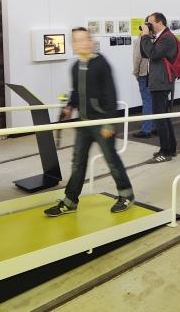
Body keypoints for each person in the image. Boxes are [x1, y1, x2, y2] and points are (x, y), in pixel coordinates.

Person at [44, 28, 134, 217]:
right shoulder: (75, 67)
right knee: (78, 163)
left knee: (111, 159)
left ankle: (126, 194)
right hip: (84, 124)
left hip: (102, 123)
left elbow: (111, 95)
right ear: (74, 45)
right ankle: (70, 201)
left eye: (86, 39)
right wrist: (69, 106)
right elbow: (76, 93)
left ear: (91, 41)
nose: (83, 43)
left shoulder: (102, 64)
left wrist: (109, 123)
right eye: (78, 40)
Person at [139, 12, 177, 163]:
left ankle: (166, 151)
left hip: (161, 83)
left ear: (160, 23)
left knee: (160, 117)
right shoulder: (160, 37)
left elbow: (153, 54)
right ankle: (170, 148)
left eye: (151, 24)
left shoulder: (167, 37)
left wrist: (146, 36)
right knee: (164, 117)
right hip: (158, 81)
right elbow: (146, 53)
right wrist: (145, 36)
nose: (149, 27)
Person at [131, 29, 153, 138]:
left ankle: (146, 129)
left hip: (144, 73)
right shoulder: (157, 38)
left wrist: (136, 72)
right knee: (157, 101)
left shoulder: (142, 39)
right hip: (157, 74)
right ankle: (158, 127)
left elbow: (137, 57)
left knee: (147, 101)